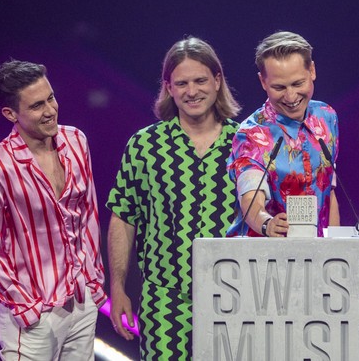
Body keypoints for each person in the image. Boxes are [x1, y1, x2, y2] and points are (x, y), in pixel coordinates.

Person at [106, 37, 241, 360]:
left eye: (200, 81)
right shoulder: (144, 145)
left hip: (235, 296)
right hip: (164, 301)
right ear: (168, 87)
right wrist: (118, 286)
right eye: (181, 83)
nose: (191, 91)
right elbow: (124, 218)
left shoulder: (246, 143)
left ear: (217, 80)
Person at [0, 60, 106, 360]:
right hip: (34, 314)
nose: (50, 110)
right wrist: (25, 306)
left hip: (82, 301)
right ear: (10, 114)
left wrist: (94, 279)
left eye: (51, 98)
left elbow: (88, 214)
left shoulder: (76, 141)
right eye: (36, 106)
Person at [227, 31, 340, 238]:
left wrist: (339, 248)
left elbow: (328, 193)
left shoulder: (327, 117)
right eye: (279, 87)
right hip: (263, 258)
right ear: (263, 81)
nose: (290, 96)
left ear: (312, 70)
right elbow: (251, 199)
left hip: (320, 257)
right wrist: (267, 224)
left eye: (298, 84)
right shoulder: (251, 134)